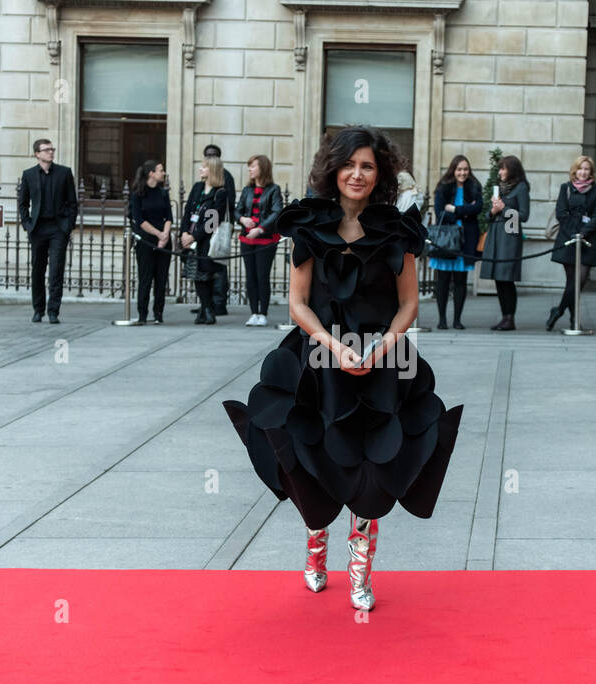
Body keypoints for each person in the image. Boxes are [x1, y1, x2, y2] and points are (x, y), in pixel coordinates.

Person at [222, 125, 464, 613]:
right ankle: (315, 545)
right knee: (313, 456)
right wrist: (334, 347)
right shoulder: (310, 225)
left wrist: (382, 347)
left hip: (382, 359)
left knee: (374, 461)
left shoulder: (398, 230)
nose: (358, 174)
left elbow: (409, 303)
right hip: (318, 357)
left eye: (368, 166)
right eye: (349, 164)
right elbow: (297, 304)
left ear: (381, 174)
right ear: (334, 170)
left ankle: (361, 568)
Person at [17, 138, 79, 324]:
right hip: (37, 229)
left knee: (56, 270)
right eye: (46, 150)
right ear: (37, 154)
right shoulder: (28, 175)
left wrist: (67, 226)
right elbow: (22, 203)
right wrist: (27, 224)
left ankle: (53, 311)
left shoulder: (64, 173)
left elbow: (72, 203)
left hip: (58, 228)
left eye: (52, 149)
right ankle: (38, 310)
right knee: (37, 269)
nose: (51, 152)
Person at [548, 155, 596, 331]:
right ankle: (574, 320)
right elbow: (561, 213)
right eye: (580, 168)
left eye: (586, 169)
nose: (583, 172)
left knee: (579, 281)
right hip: (568, 238)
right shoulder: (566, 188)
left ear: (591, 172)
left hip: (588, 240)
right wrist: (574, 233)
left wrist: (584, 233)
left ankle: (558, 310)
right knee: (572, 282)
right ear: (575, 170)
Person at [430, 155, 483, 330]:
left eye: (465, 169)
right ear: (453, 170)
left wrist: (455, 209)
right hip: (446, 239)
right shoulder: (444, 187)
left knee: (461, 281)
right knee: (443, 280)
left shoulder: (474, 186)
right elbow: (439, 211)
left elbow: (478, 208)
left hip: (466, 240)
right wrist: (464, 212)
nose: (462, 173)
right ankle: (442, 319)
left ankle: (457, 320)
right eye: (459, 169)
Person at [481, 155, 530, 330]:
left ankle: (510, 318)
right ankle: (504, 317)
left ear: (512, 170)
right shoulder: (499, 188)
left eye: (503, 168)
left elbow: (524, 215)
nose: (500, 172)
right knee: (498, 279)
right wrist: (494, 210)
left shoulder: (521, 188)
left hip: (510, 235)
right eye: (499, 168)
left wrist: (504, 208)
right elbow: (487, 216)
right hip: (496, 233)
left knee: (506, 278)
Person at [236, 154, 284, 327]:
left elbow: (277, 211)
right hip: (247, 239)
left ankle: (263, 313)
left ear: (262, 168)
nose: (249, 169)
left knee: (262, 276)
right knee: (250, 277)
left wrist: (260, 228)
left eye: (253, 166)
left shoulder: (274, 190)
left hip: (265, 240)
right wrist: (242, 220)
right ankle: (253, 312)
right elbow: (237, 210)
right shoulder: (247, 190)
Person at [180, 157, 229, 325]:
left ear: (212, 170)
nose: (200, 169)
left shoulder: (220, 193)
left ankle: (207, 310)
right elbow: (187, 212)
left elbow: (212, 221)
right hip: (191, 239)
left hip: (206, 241)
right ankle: (204, 309)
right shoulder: (197, 188)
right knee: (196, 273)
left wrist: (194, 236)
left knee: (205, 274)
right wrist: (184, 233)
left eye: (204, 167)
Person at [128, 160, 173, 325]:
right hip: (146, 240)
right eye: (160, 170)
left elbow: (169, 217)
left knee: (161, 278)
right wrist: (158, 234)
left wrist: (165, 235)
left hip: (164, 239)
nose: (163, 173)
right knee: (145, 277)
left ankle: (158, 313)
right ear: (151, 173)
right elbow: (139, 220)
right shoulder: (137, 195)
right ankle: (142, 313)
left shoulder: (163, 193)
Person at [200, 144, 236, 315]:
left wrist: (210, 227)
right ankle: (206, 304)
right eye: (208, 155)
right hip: (204, 231)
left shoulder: (224, 177)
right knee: (205, 266)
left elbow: (225, 206)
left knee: (219, 265)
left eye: (213, 155)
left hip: (218, 228)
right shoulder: (202, 184)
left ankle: (219, 302)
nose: (210, 157)